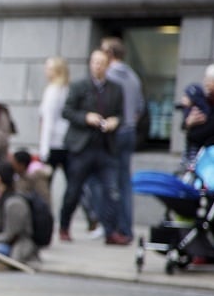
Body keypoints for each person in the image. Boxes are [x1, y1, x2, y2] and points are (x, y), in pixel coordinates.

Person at [59, 49, 127, 245]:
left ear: (107, 66)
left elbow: (123, 115)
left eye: (101, 63)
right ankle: (64, 227)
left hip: (106, 147)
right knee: (74, 190)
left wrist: (116, 121)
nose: (97, 66)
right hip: (82, 147)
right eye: (94, 62)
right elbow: (67, 111)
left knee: (112, 191)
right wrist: (85, 117)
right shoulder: (79, 86)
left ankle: (111, 232)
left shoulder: (115, 88)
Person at [38, 56, 100, 240]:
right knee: (75, 186)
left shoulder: (54, 91)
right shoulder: (68, 89)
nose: (45, 71)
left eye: (48, 68)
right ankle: (91, 217)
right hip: (69, 143)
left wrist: (44, 149)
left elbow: (48, 121)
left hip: (55, 145)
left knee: (45, 188)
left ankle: (44, 221)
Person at [101, 37, 145, 242]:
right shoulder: (133, 76)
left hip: (115, 133)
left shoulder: (109, 76)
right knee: (124, 182)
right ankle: (124, 228)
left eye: (102, 52)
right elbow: (140, 108)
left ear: (110, 54)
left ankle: (113, 227)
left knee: (109, 182)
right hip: (130, 131)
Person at [179, 64, 214, 167]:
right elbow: (185, 124)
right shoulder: (206, 100)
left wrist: (191, 133)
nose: (205, 82)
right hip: (201, 150)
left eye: (209, 80)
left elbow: (213, 128)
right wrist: (188, 123)